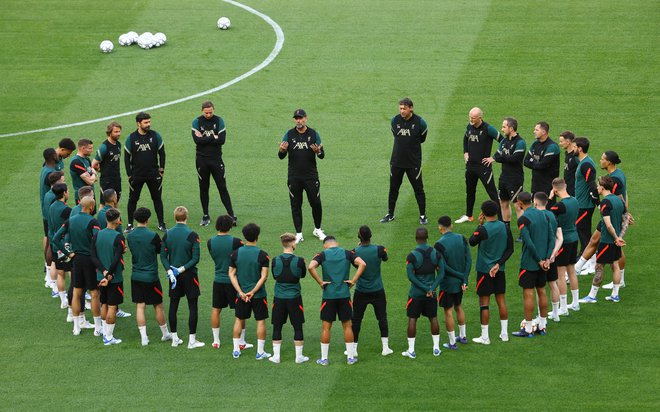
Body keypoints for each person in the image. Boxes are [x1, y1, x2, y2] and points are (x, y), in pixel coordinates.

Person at [308, 236, 366, 365]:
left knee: (326, 328)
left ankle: (324, 359)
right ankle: (350, 358)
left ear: (325, 245)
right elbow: (362, 263)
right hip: (344, 295)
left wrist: (320, 282)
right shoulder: (347, 253)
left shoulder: (322, 255)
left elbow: (311, 267)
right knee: (347, 326)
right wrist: (353, 281)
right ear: (336, 243)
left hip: (328, 296)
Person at [52, 196, 102, 336]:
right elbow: (97, 239)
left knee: (76, 292)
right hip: (90, 260)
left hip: (76, 260)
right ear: (91, 207)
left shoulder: (70, 220)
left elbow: (56, 238)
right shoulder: (93, 221)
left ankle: (76, 327)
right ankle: (98, 328)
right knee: (94, 293)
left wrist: (68, 253)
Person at [278, 109, 326, 243]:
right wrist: (281, 150)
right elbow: (281, 156)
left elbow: (322, 155)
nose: (298, 120)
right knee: (296, 204)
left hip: (311, 176)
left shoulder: (313, 134)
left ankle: (317, 229)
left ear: (306, 118)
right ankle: (298, 233)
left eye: (301, 118)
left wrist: (318, 151)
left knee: (316, 203)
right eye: (296, 118)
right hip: (294, 177)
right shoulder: (289, 134)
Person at [469, 200, 513, 344]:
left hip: (484, 270)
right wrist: (499, 264)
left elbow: (472, 241)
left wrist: (479, 224)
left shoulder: (483, 229)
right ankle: (504, 334)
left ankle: (485, 337)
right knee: (501, 301)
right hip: (499, 270)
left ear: (483, 213)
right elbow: (510, 249)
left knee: (484, 303)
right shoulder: (505, 227)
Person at [127, 207, 172, 346]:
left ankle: (144, 338)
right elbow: (160, 250)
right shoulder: (153, 235)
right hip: (151, 276)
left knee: (140, 306)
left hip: (136, 275)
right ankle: (165, 334)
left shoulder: (130, 236)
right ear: (147, 219)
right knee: (158, 305)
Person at [160, 206, 203, 349]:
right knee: (193, 306)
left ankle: (174, 338)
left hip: (173, 276)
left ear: (174, 217)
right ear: (187, 217)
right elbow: (195, 258)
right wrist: (181, 269)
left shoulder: (167, 234)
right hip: (189, 275)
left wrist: (170, 270)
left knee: (174, 305)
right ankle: (192, 340)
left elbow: (163, 256)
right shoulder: (192, 234)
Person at [512, 192, 554, 338]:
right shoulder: (544, 215)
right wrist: (547, 259)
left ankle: (528, 328)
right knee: (541, 291)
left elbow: (528, 242)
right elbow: (551, 237)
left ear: (520, 203)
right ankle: (542, 326)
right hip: (544, 263)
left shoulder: (523, 218)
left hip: (530, 263)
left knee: (528, 293)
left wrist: (538, 260)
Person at [381, 98, 428, 225]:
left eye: (404, 108)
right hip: (396, 162)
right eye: (400, 108)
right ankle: (390, 214)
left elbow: (422, 138)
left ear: (411, 108)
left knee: (418, 189)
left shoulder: (420, 123)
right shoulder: (394, 121)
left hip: (413, 163)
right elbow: (396, 135)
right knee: (393, 189)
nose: (402, 111)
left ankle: (423, 215)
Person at [208, 215, 252, 350]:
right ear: (229, 226)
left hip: (218, 280)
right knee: (240, 312)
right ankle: (241, 341)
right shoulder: (237, 242)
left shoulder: (210, 242)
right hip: (234, 282)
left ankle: (216, 341)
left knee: (216, 309)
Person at [579, 176, 625, 303]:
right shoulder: (619, 200)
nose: (597, 188)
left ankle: (592, 296)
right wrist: (620, 236)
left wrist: (615, 237)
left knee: (599, 267)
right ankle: (615, 295)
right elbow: (626, 218)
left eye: (598, 186)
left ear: (603, 188)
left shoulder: (605, 203)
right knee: (615, 265)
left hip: (606, 240)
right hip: (615, 241)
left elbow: (608, 224)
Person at [228, 223, 271, 360]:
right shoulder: (263, 255)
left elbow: (231, 274)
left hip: (241, 295)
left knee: (239, 320)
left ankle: (236, 350)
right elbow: (264, 277)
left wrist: (241, 292)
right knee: (260, 321)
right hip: (258, 295)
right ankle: (260, 352)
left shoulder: (235, 253)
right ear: (257, 236)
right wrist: (252, 292)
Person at [192, 101, 236, 227]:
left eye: (210, 112)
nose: (208, 114)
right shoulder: (196, 122)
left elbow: (222, 140)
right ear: (202, 111)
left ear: (214, 110)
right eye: (206, 112)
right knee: (204, 187)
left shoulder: (219, 120)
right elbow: (197, 141)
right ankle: (205, 215)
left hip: (216, 160)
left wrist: (205, 138)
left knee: (222, 187)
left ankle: (231, 214)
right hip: (202, 160)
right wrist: (214, 137)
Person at [402, 228, 444, 358]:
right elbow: (441, 273)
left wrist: (425, 289)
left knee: (412, 319)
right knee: (433, 318)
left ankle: (411, 350)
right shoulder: (436, 253)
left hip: (416, 294)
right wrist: (431, 289)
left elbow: (411, 276)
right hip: (431, 294)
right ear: (427, 237)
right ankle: (436, 348)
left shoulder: (412, 255)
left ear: (416, 238)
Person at [351, 225, 392, 357]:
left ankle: (354, 349)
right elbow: (386, 258)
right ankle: (385, 348)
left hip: (361, 291)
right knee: (382, 318)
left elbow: (355, 263)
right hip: (378, 290)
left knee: (356, 320)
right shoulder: (379, 249)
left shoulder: (354, 252)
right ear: (371, 235)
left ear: (359, 237)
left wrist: (359, 248)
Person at [455, 107, 501, 224]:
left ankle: (501, 219)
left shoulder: (488, 129)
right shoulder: (469, 126)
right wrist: (465, 152)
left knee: (492, 193)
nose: (471, 119)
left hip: (483, 168)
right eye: (470, 117)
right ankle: (469, 215)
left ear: (480, 118)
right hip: (470, 166)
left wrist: (494, 157)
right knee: (470, 191)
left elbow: (504, 141)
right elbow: (465, 138)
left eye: (473, 118)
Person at [269, 233, 309, 364]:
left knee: (277, 326)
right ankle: (299, 357)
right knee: (297, 326)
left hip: (279, 298)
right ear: (292, 244)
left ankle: (276, 356)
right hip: (295, 298)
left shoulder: (275, 260)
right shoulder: (300, 260)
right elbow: (302, 275)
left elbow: (275, 276)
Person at [125, 112, 166, 233]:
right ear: (138, 123)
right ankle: (129, 224)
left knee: (157, 198)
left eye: (149, 122)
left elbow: (162, 153)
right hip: (137, 175)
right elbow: (126, 157)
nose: (149, 124)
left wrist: (161, 169)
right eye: (146, 122)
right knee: (133, 199)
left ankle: (161, 223)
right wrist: (129, 174)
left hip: (153, 174)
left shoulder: (155, 135)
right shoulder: (131, 138)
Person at [434, 216, 471, 350]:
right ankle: (463, 336)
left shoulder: (439, 244)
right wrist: (464, 278)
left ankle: (452, 343)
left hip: (447, 284)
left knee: (448, 311)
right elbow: (469, 260)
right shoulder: (461, 238)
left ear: (440, 227)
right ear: (451, 225)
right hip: (460, 283)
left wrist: (460, 275)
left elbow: (443, 267)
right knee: (458, 306)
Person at [90, 208, 126, 345]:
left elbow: (93, 256)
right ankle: (109, 337)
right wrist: (109, 274)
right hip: (114, 278)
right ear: (117, 221)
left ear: (106, 219)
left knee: (104, 303)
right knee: (112, 306)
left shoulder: (97, 235)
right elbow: (116, 259)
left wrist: (103, 272)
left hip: (100, 276)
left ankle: (105, 332)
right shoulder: (118, 237)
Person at [549, 178, 580, 312]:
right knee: (571, 271)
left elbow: (547, 214)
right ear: (565, 186)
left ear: (555, 190)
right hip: (574, 238)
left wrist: (550, 198)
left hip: (564, 241)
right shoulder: (575, 200)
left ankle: (563, 307)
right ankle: (575, 302)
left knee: (561, 274)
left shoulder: (560, 206)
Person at [534, 192, 563, 323]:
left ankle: (541, 316)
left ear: (535, 203)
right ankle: (556, 314)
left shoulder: (535, 216)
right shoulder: (552, 215)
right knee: (553, 284)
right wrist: (553, 254)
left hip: (539, 257)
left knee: (539, 288)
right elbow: (560, 238)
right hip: (551, 256)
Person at [572, 137, 599, 274]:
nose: (573, 149)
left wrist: (598, 203)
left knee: (583, 233)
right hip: (581, 204)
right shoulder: (583, 162)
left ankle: (590, 263)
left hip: (585, 205)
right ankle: (591, 262)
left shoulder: (586, 165)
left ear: (580, 148)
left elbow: (592, 185)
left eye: (575, 146)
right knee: (585, 232)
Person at [493, 117, 526, 227]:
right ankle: (506, 226)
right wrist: (503, 157)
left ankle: (523, 230)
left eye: (504, 127)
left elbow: (515, 159)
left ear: (511, 128)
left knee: (518, 205)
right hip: (504, 177)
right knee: (503, 203)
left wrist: (502, 157)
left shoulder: (520, 142)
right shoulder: (503, 141)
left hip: (515, 178)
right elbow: (497, 156)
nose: (502, 129)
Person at [48, 182, 72, 310]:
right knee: (71, 272)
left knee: (60, 273)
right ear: (64, 193)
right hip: (64, 245)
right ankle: (74, 299)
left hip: (54, 243)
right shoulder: (66, 210)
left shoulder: (52, 205)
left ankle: (63, 300)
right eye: (67, 190)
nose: (68, 192)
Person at [523, 122, 560, 196]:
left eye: (536, 130)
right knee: (536, 206)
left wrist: (533, 161)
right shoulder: (535, 144)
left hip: (547, 186)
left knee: (547, 207)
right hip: (535, 185)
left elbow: (542, 166)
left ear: (543, 132)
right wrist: (537, 163)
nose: (534, 132)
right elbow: (525, 162)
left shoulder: (552, 147)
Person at [92, 121, 123, 202]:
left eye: (119, 131)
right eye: (116, 132)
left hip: (117, 179)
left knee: (115, 202)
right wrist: (102, 170)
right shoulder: (104, 147)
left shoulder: (118, 144)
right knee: (104, 204)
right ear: (110, 132)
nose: (118, 133)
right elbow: (94, 164)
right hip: (106, 181)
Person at [69, 139, 97, 203]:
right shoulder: (76, 162)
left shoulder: (87, 159)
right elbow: (90, 181)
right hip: (82, 197)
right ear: (83, 148)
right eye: (90, 148)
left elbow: (95, 179)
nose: (92, 150)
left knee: (92, 213)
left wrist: (92, 175)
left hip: (91, 194)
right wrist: (94, 174)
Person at [558, 131, 577, 196]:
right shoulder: (567, 153)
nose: (560, 144)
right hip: (567, 188)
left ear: (568, 142)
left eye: (561, 141)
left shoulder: (575, 157)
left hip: (574, 190)